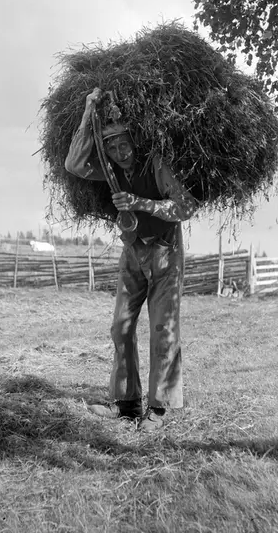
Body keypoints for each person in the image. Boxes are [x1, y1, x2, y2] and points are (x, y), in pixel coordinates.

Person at [65, 88, 198, 432]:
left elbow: (186, 206)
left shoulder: (156, 164)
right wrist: (88, 109)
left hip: (166, 253)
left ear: (134, 142)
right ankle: (126, 403)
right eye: (111, 148)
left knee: (163, 329)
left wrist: (141, 204)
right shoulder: (111, 171)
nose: (119, 153)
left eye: (123, 145)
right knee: (121, 327)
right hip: (133, 252)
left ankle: (159, 408)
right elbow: (74, 164)